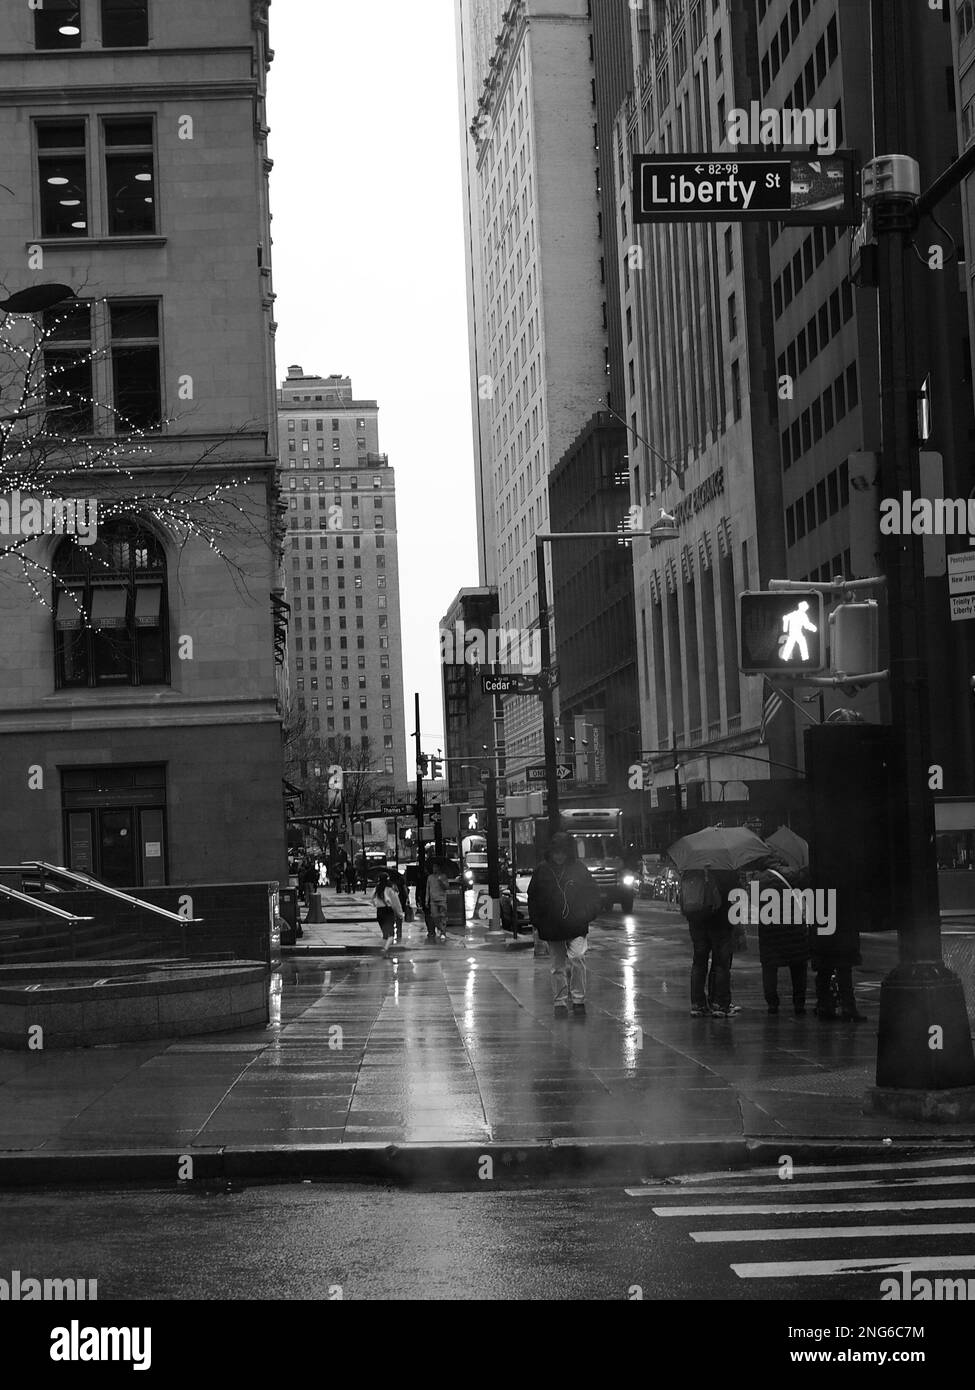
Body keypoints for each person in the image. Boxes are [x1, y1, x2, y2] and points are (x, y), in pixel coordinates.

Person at [527, 831, 603, 1018]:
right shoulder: (542, 870)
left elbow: (593, 894)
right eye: (556, 852)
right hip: (553, 925)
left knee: (577, 958)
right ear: (551, 853)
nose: (559, 856)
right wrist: (537, 921)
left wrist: (586, 914)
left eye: (562, 852)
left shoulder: (578, 869)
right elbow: (533, 897)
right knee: (557, 965)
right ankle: (560, 1001)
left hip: (575, 923)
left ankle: (577, 999)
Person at [680, 866, 741, 1018]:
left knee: (699, 962)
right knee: (721, 963)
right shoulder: (725, 869)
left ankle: (697, 1004)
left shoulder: (691, 869)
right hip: (720, 922)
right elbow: (735, 896)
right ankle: (720, 1004)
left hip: (696, 922)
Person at [754, 865, 809, 1016]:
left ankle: (772, 1003)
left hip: (770, 929)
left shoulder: (758, 880)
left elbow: (754, 903)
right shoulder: (794, 874)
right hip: (794, 927)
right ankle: (799, 1003)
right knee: (798, 966)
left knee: (770, 967)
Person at [373, 872, 404, 955]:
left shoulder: (377, 888)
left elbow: (372, 899)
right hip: (388, 911)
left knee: (385, 934)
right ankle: (385, 949)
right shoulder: (390, 889)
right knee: (391, 934)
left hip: (379, 912)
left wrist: (376, 904)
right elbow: (395, 903)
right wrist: (400, 913)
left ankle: (384, 948)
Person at [424, 859, 449, 942]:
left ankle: (443, 932)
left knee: (443, 916)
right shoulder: (430, 877)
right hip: (433, 900)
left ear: (439, 868)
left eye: (435, 867)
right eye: (433, 867)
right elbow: (428, 889)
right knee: (434, 916)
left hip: (442, 899)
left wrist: (441, 881)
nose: (434, 869)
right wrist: (426, 900)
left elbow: (446, 887)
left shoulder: (443, 876)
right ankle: (439, 927)